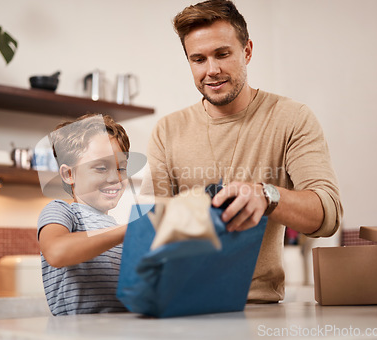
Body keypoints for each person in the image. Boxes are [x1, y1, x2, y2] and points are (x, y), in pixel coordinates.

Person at [141, 0, 343, 302]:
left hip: (259, 307)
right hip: (182, 303)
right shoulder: (167, 130)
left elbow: (328, 214)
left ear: (247, 51)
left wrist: (267, 195)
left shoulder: (292, 118)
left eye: (223, 54)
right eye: (198, 59)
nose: (212, 70)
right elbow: (147, 226)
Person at [38, 113, 130, 315]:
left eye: (121, 168)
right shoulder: (62, 211)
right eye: (101, 168)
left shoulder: (117, 230)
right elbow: (56, 251)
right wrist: (130, 230)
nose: (115, 178)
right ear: (68, 174)